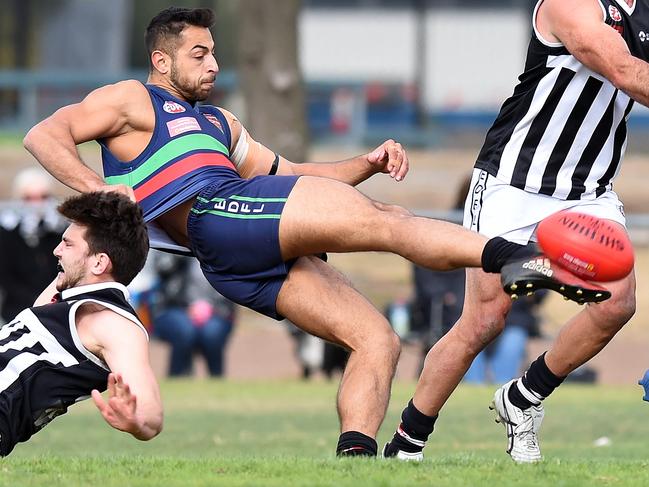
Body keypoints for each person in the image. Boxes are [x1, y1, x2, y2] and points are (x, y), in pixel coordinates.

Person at [23, 6, 603, 457]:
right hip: (218, 216)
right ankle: (520, 258)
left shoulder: (219, 122)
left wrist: (364, 162)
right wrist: (100, 188)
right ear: (161, 61)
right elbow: (45, 134)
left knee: (376, 340)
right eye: (198, 54)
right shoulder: (133, 99)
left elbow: (292, 177)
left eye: (214, 53)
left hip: (236, 247)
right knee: (386, 222)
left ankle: (355, 460)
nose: (214, 65)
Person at [384, 0, 639, 463]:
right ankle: (406, 444)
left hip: (588, 190)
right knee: (483, 321)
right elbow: (620, 68)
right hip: (513, 180)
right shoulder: (570, 3)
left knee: (618, 301)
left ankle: (523, 398)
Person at [0, 191, 162, 456]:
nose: (56, 250)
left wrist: (138, 422)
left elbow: (151, 411)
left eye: (68, 244)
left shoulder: (111, 321)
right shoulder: (65, 295)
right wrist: (115, 207)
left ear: (99, 262)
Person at [151, 252, 235, 377]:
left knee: (212, 333)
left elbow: (234, 287)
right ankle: (177, 379)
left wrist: (211, 309)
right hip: (174, 307)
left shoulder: (223, 248)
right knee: (184, 330)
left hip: (216, 311)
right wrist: (181, 252)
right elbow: (162, 268)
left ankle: (217, 380)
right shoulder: (172, 242)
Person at [0, 168, 67, 322]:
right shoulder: (8, 230)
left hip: (56, 309)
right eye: (29, 198)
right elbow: (6, 276)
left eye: (43, 197)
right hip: (17, 312)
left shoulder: (60, 230)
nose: (37, 204)